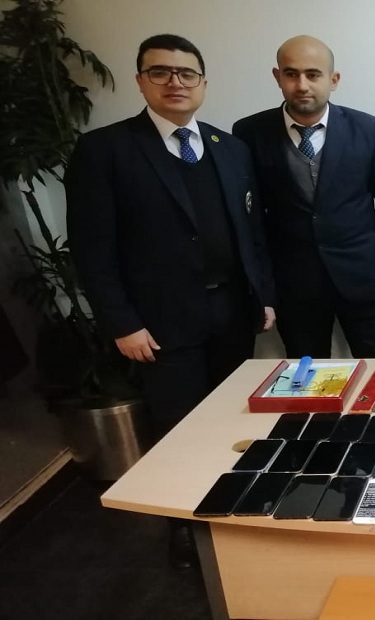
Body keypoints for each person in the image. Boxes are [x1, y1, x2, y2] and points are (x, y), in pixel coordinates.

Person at [65, 34, 276, 567]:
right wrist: (121, 322)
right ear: (141, 81)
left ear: (203, 83)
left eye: (187, 73)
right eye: (160, 72)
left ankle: (232, 509)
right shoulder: (106, 150)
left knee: (231, 420)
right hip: (159, 324)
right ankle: (185, 527)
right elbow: (92, 249)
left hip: (232, 313)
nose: (175, 82)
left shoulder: (230, 147)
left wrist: (264, 297)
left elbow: (251, 233)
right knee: (178, 426)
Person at [233, 35, 375, 359]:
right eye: (291, 74)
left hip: (366, 279)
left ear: (333, 80)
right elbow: (251, 219)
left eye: (313, 74)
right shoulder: (250, 132)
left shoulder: (368, 128)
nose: (302, 85)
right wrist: (262, 288)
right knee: (307, 376)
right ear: (277, 77)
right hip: (294, 285)